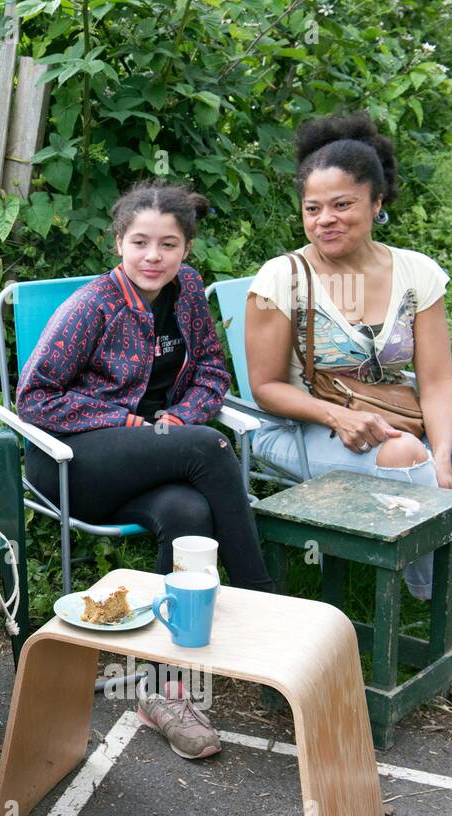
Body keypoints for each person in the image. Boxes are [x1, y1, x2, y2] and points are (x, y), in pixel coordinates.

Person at [246, 112, 452, 714]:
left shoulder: (415, 272)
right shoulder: (283, 277)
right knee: (401, 452)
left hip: (402, 411)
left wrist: (445, 458)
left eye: (341, 205)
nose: (325, 221)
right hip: (304, 424)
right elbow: (265, 387)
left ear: (376, 201)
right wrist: (336, 418)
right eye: (313, 208)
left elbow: (438, 381)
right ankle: (435, 597)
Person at [16, 180, 274, 760]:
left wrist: (181, 416)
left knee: (190, 512)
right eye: (140, 242)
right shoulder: (93, 306)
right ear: (118, 244)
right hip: (75, 463)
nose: (153, 256)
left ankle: (164, 687)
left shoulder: (186, 292)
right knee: (207, 448)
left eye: (168, 244)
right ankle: (267, 608)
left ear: (185, 250)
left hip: (157, 457)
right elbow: (35, 398)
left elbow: (211, 367)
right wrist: (127, 421)